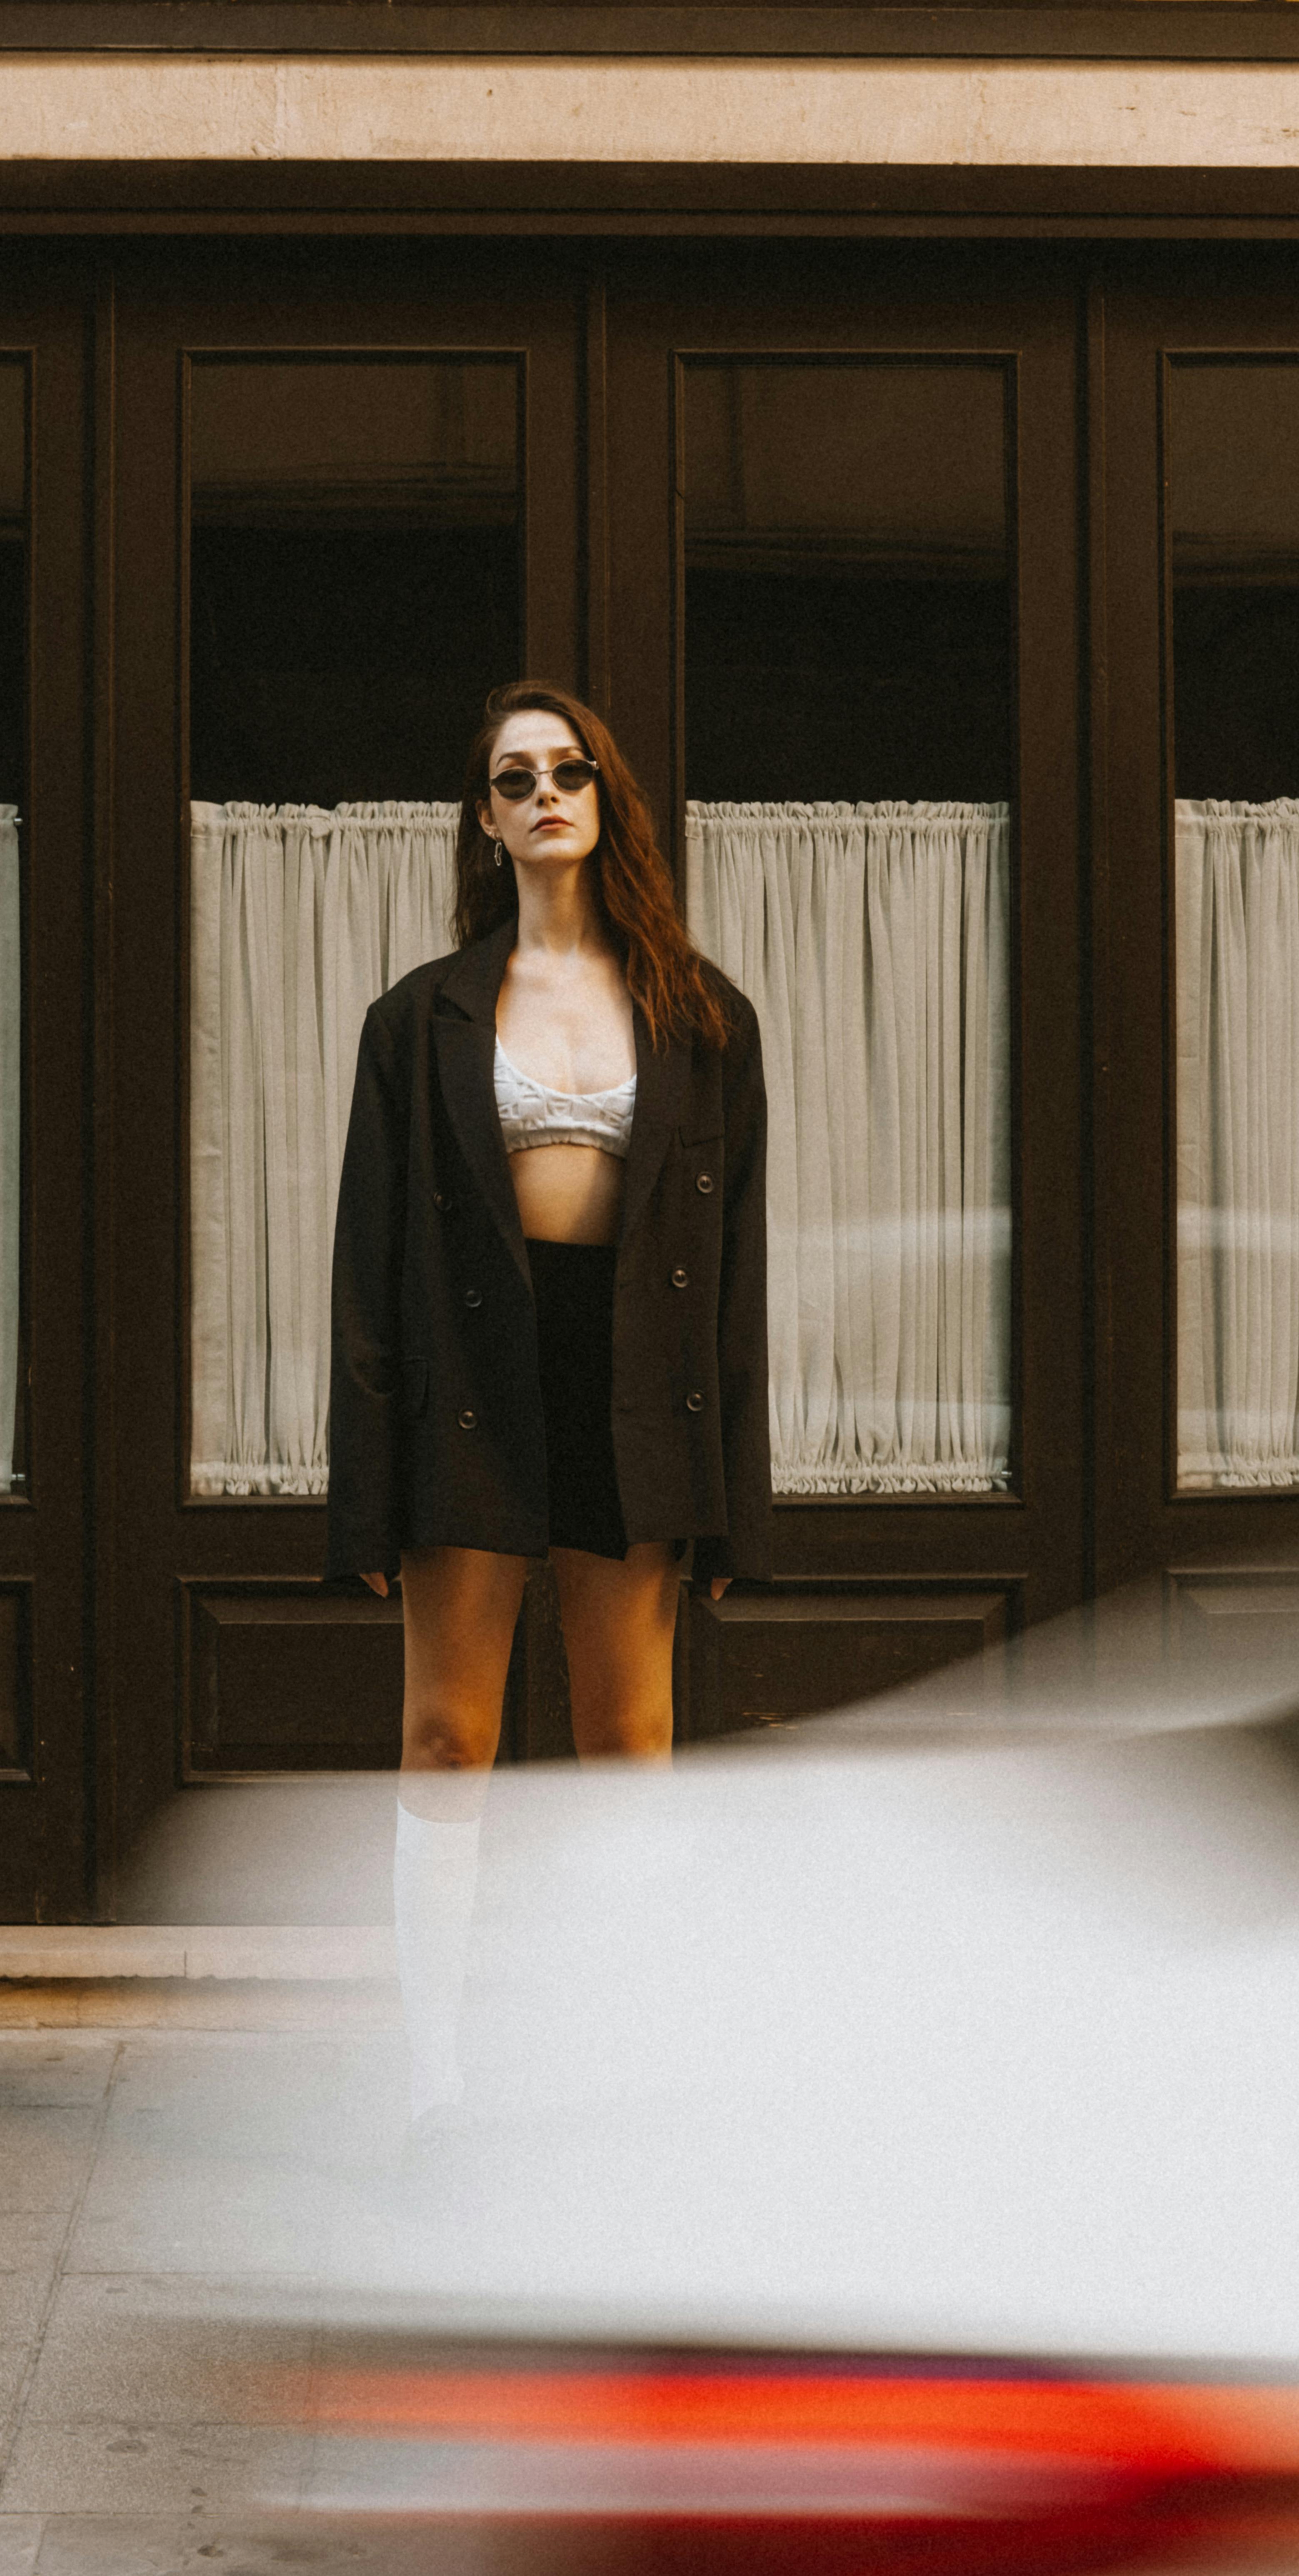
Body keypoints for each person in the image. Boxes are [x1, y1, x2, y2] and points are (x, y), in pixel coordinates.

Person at [327, 682, 771, 2128]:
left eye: (568, 770)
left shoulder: (701, 1017)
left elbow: (735, 1279)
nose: (544, 794)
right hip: (472, 1387)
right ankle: (435, 2070)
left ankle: (617, 2058)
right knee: (446, 1736)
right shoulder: (422, 1017)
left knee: (623, 1744)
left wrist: (730, 1502)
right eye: (514, 777)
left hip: (633, 1385)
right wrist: (367, 1490)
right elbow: (369, 1269)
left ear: (606, 796)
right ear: (486, 816)